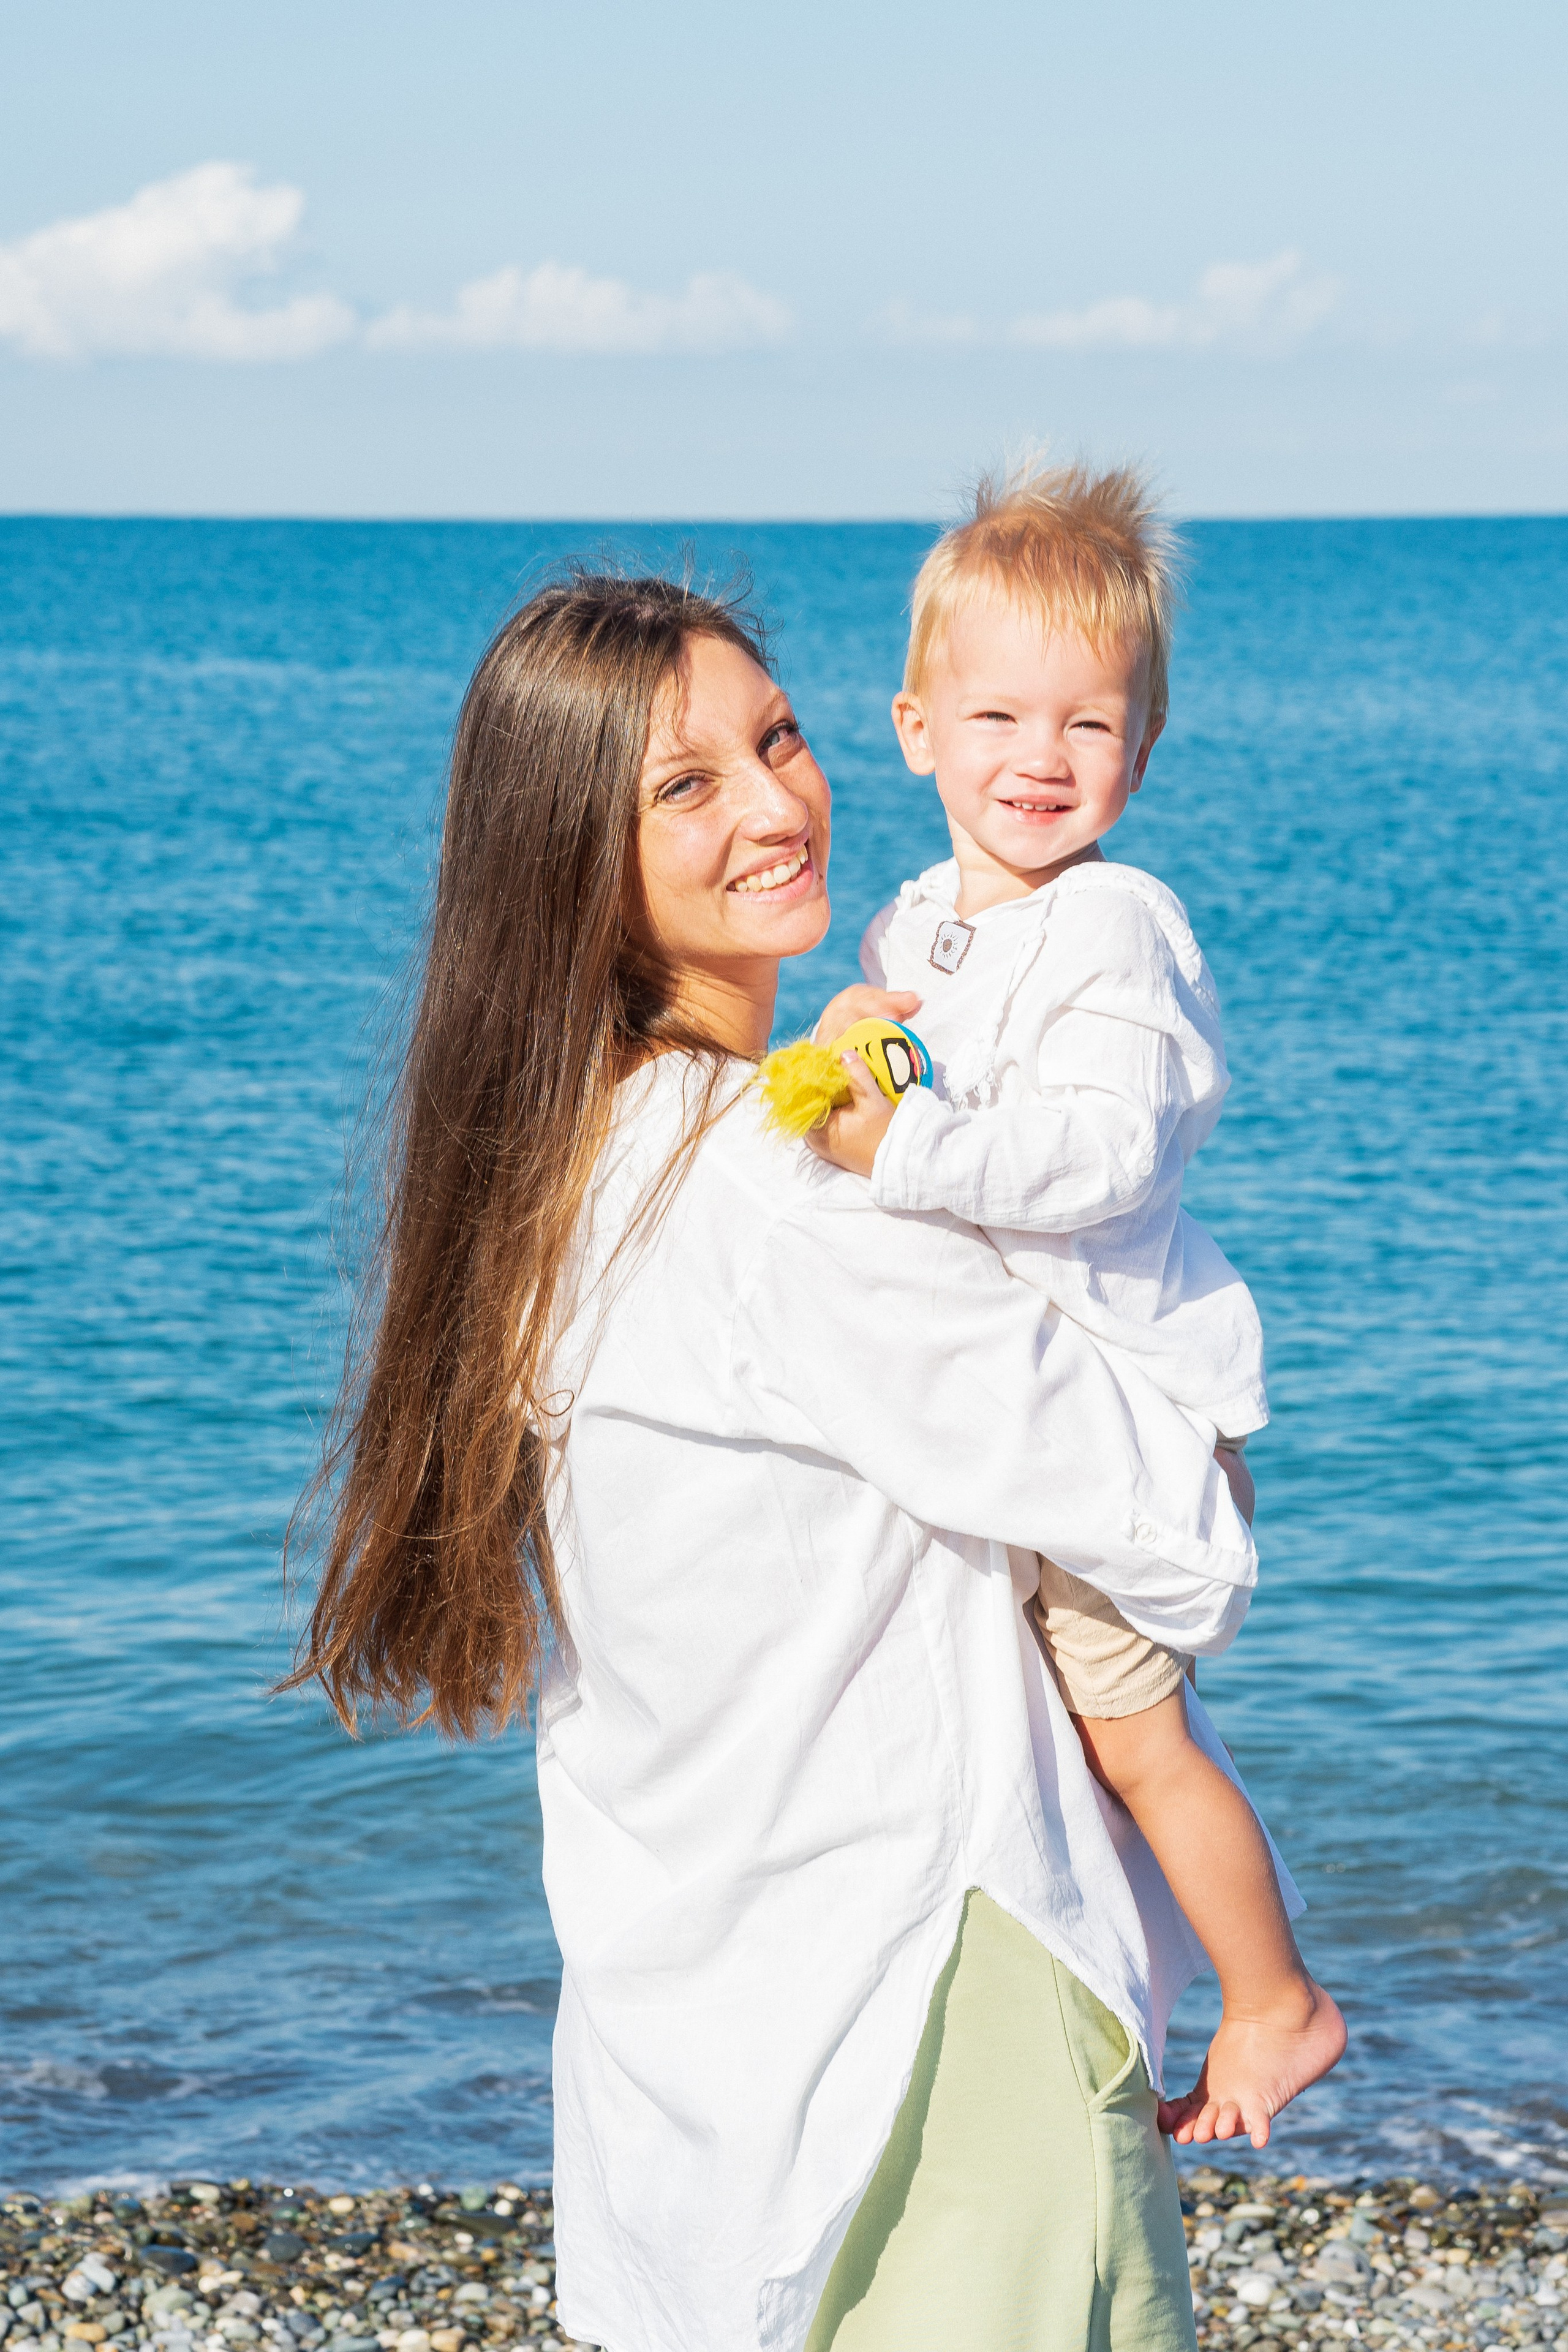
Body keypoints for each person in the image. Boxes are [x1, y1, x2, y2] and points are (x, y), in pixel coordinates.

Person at [289, 573, 1314, 2352]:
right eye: (685, 785)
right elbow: (1177, 1541)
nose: (777, 802)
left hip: (690, 2051)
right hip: (931, 2010)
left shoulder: (560, 1174)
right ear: (572, 864)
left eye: (778, 737)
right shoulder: (769, 1201)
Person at [804, 459, 1347, 2151]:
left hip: (1117, 1413)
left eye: (1088, 728)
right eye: (997, 718)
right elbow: (907, 1071)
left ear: (1143, 751)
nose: (1040, 761)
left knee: (1133, 1739)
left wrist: (906, 1147)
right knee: (1021, 1742)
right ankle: (1090, 1993)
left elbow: (1105, 1153)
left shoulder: (1118, 925)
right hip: (1012, 1404)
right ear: (913, 728)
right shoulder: (922, 915)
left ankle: (1280, 2002)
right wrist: (851, 1051)